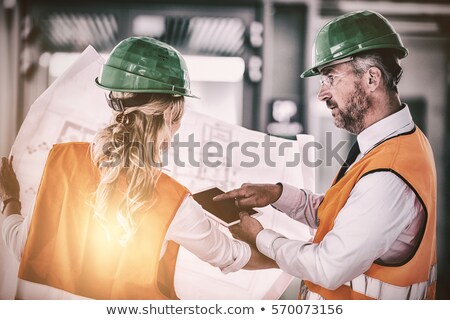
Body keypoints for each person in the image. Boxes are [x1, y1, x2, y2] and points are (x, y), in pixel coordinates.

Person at [0, 37, 276, 300]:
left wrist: (10, 200)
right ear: (171, 115)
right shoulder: (173, 201)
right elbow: (230, 255)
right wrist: (290, 257)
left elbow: (24, 247)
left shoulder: (61, 161)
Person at [214, 10, 437, 300]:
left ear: (372, 78)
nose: (322, 93)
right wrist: (278, 194)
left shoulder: (389, 174)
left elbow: (327, 266)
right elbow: (342, 215)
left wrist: (259, 236)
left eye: (330, 78)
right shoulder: (390, 144)